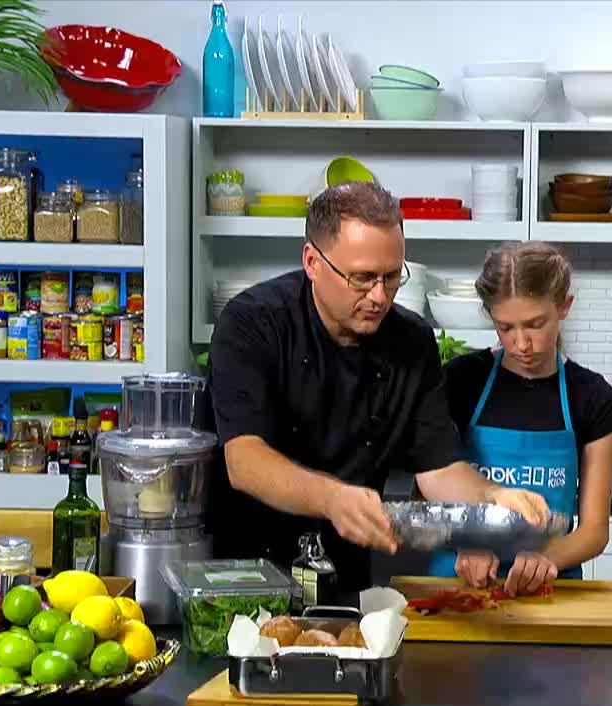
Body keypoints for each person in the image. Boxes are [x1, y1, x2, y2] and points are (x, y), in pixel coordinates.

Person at [206, 182, 549, 596]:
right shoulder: (252, 324)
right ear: (313, 262)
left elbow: (439, 468)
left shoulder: (412, 341)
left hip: (343, 573)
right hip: (244, 573)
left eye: (391, 277)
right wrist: (334, 498)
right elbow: (245, 461)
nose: (379, 297)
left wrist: (492, 497)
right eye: (362, 278)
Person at [430, 242, 612, 596]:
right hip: (457, 589)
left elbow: (595, 530)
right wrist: (466, 542)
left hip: (549, 592)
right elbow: (428, 488)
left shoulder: (592, 398)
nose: (521, 343)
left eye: (536, 324)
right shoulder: (460, 382)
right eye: (505, 327)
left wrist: (546, 556)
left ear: (564, 306)